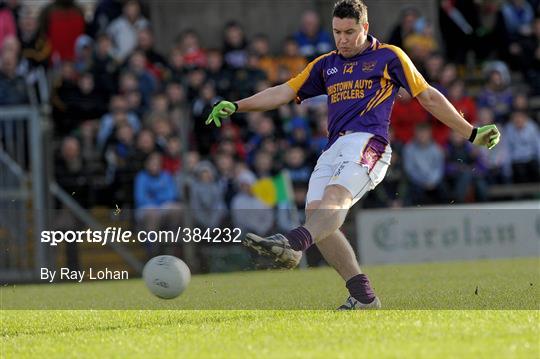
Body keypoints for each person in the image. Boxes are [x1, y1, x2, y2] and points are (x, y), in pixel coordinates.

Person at [206, 0, 501, 310]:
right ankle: (363, 296)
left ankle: (292, 244)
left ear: (365, 28)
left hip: (369, 143)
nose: (343, 39)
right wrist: (238, 105)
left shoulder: (389, 56)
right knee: (318, 218)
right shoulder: (325, 64)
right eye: (337, 32)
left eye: (350, 32)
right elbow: (284, 91)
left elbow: (427, 96)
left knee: (335, 200)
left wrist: (470, 132)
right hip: (333, 147)